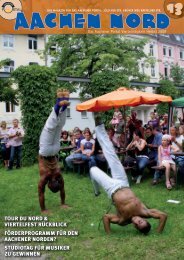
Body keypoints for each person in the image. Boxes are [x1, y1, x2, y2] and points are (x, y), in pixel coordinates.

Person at [90, 114, 167, 234]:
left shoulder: (123, 220)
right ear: (144, 219)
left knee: (93, 170)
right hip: (123, 182)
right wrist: (158, 232)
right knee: (110, 152)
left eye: (136, 225)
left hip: (111, 188)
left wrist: (109, 235)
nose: (137, 222)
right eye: (140, 222)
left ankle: (96, 191)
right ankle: (99, 124)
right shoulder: (145, 212)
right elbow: (163, 216)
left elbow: (106, 218)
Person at [38, 89, 70, 213]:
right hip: (45, 151)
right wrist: (43, 210)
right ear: (49, 185)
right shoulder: (45, 177)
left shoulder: (58, 175)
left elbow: (62, 189)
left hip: (54, 150)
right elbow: (41, 194)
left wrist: (62, 204)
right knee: (50, 128)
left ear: (55, 182)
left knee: (57, 128)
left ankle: (62, 102)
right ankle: (60, 103)